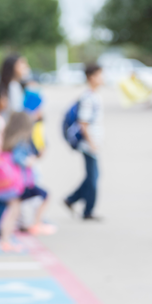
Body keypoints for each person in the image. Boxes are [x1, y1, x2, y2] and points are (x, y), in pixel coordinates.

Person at [0, 112, 31, 252]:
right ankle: (5, 240)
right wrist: (30, 161)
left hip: (2, 181)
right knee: (13, 211)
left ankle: (5, 239)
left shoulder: (6, 138)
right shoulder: (20, 140)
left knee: (10, 210)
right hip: (12, 182)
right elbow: (20, 159)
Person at [64, 64, 105, 221]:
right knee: (93, 177)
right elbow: (83, 123)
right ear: (91, 77)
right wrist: (92, 142)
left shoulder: (94, 96)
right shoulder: (89, 98)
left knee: (92, 176)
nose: (102, 79)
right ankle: (87, 210)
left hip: (93, 143)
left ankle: (73, 199)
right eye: (100, 75)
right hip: (89, 145)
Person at [0, 54, 31, 120]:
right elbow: (17, 112)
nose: (26, 67)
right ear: (13, 67)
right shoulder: (13, 86)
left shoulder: (14, 85)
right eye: (22, 63)